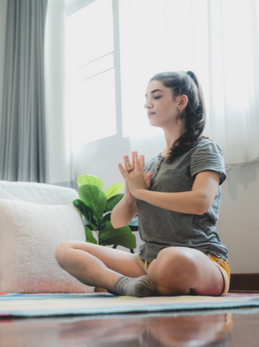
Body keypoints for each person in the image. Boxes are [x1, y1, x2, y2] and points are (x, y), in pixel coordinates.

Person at [55, 71, 229, 297]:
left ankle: (152, 280)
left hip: (199, 257)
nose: (147, 104)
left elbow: (200, 202)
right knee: (66, 250)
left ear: (181, 101)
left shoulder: (204, 149)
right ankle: (128, 285)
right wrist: (130, 195)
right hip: (146, 261)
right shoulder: (149, 165)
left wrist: (142, 193)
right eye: (146, 97)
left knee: (170, 259)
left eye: (156, 96)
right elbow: (118, 222)